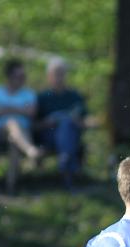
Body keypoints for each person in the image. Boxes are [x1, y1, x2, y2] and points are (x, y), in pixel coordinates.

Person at [36, 57, 87, 188]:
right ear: (49, 76)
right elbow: (34, 125)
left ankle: (65, 160)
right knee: (64, 126)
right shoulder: (42, 98)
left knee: (67, 124)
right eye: (56, 74)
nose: (59, 77)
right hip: (49, 137)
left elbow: (84, 121)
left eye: (61, 73)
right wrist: (48, 122)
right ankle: (68, 164)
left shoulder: (74, 96)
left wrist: (74, 121)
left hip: (72, 135)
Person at [0, 59, 42, 161]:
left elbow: (31, 112)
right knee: (12, 123)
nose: (22, 79)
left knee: (14, 139)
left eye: (23, 76)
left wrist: (6, 108)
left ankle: (15, 177)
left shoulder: (29, 94)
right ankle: (30, 150)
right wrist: (20, 109)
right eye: (19, 76)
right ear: (9, 77)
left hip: (23, 132)